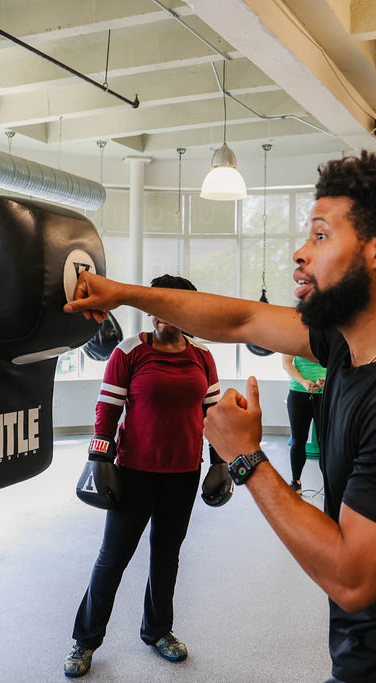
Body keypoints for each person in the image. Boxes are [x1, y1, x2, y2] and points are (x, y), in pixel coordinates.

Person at [65, 152, 376, 682]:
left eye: (320, 236)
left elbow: (350, 578)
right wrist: (125, 295)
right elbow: (244, 317)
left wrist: (245, 457)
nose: (300, 253)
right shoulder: (347, 343)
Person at [65, 275, 222, 678]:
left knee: (166, 557)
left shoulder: (202, 356)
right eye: (158, 303)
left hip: (184, 471)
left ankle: (157, 631)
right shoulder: (129, 351)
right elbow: (108, 410)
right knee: (112, 558)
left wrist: (220, 461)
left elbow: (214, 414)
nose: (163, 313)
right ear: (149, 308)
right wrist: (100, 458)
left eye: (174, 305)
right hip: (134, 471)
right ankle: (84, 642)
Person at [281, 354, 325, 493]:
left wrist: (329, 379)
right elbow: (287, 363)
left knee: (325, 442)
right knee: (298, 440)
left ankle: (330, 484)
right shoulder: (294, 334)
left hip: (326, 393)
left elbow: (342, 362)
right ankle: (296, 482)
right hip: (299, 392)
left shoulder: (332, 333)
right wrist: (303, 381)